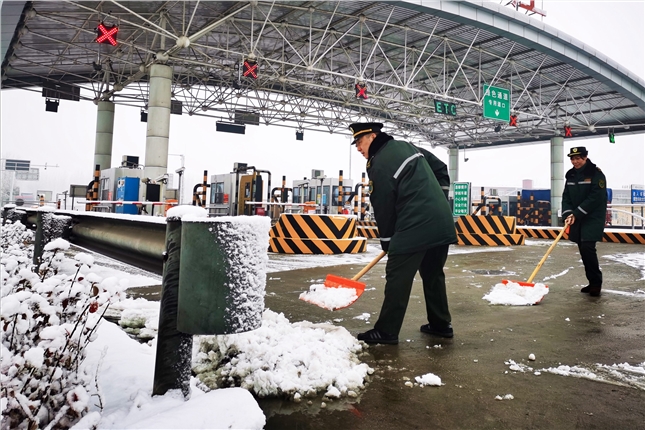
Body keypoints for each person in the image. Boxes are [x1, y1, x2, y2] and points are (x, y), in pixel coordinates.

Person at [349, 122, 457, 345]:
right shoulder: (407, 147)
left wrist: (388, 241)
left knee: (398, 274)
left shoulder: (378, 163)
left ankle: (386, 331)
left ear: (372, 136)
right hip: (442, 220)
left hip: (416, 223)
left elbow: (384, 205)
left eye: (360, 142)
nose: (358, 148)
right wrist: (440, 197)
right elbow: (441, 168)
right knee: (433, 272)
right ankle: (440, 324)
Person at [561, 146, 608, 297]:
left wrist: (576, 213)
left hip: (592, 217)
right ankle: (592, 281)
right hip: (577, 217)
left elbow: (596, 197)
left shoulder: (596, 174)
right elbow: (566, 196)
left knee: (588, 247)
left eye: (578, 158)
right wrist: (568, 213)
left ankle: (596, 283)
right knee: (583, 248)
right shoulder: (571, 175)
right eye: (573, 159)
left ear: (585, 157)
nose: (575, 161)